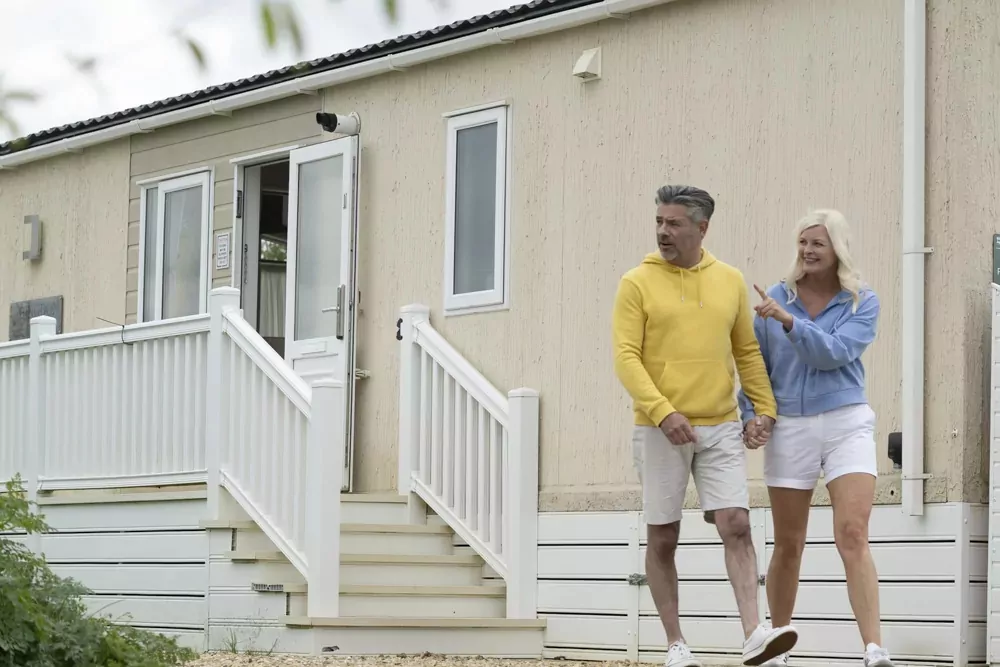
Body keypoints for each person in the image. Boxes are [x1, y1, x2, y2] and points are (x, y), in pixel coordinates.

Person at [613, 185, 798, 667]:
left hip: (720, 423)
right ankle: (676, 644)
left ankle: (755, 634)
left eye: (673, 223)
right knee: (664, 537)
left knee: (736, 524)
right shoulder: (636, 282)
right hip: (659, 427)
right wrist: (662, 411)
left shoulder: (730, 280)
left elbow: (747, 353)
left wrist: (765, 410)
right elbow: (625, 358)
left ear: (702, 228)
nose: (662, 231)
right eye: (659, 221)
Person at [737, 209, 893, 667]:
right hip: (791, 428)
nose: (807, 250)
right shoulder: (775, 297)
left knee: (852, 532)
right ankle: (776, 646)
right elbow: (754, 368)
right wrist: (754, 415)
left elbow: (836, 354)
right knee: (789, 541)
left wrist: (790, 322)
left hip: (846, 422)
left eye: (817, 243)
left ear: (837, 249)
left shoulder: (862, 300)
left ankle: (873, 648)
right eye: (803, 242)